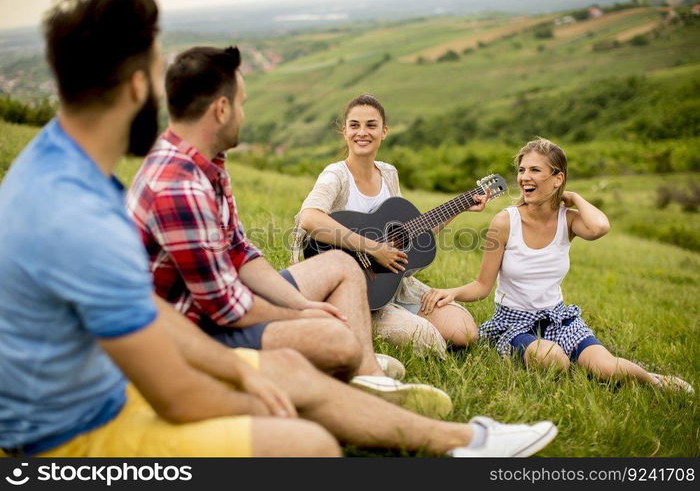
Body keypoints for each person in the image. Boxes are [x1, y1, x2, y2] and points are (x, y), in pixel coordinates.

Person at [0, 0, 559, 458]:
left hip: (118, 375)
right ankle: (404, 420)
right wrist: (254, 381)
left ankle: (463, 440)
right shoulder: (80, 213)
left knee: (293, 367)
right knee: (310, 443)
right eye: (157, 67)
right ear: (139, 87)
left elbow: (147, 309)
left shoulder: (68, 171)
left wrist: (263, 366)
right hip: (71, 433)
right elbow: (174, 388)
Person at [126, 47, 452, 416]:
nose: (244, 113)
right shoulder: (179, 186)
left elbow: (241, 252)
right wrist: (303, 318)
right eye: (243, 104)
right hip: (196, 332)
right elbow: (225, 307)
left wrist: (303, 303)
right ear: (221, 109)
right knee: (337, 338)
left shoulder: (211, 165)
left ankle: (368, 375)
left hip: (227, 302)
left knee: (341, 268)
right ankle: (360, 373)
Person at [420, 138, 694, 394]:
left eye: (535, 170)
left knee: (608, 369)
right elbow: (482, 286)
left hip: (559, 319)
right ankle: (561, 358)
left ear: (557, 178)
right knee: (553, 360)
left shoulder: (569, 220)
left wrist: (573, 198)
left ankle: (656, 380)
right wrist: (453, 292)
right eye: (522, 169)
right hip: (513, 323)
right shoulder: (505, 222)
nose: (524, 177)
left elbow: (600, 227)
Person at [294, 94, 484, 357]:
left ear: (384, 131)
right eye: (355, 125)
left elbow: (411, 234)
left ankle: (403, 316)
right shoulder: (336, 175)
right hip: (355, 291)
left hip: (393, 285)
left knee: (465, 331)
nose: (363, 132)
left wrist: (460, 207)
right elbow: (310, 218)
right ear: (345, 131)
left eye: (371, 125)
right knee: (426, 338)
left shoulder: (389, 173)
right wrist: (372, 248)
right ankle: (355, 323)